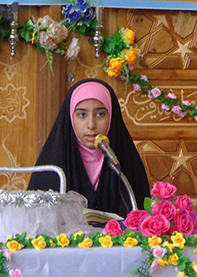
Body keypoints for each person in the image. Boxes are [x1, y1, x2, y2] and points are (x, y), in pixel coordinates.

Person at [28, 78, 150, 218]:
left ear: (112, 116)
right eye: (82, 115)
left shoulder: (126, 167)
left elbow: (139, 216)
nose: (91, 125)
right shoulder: (51, 167)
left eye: (100, 114)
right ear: (70, 118)